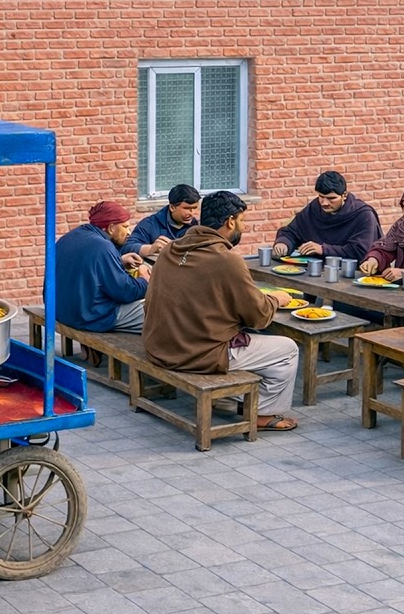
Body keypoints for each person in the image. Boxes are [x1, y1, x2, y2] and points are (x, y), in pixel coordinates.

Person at [144, 191, 300, 432]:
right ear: (230, 221)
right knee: (287, 349)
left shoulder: (170, 249)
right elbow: (258, 317)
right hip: (194, 354)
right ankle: (263, 413)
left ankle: (229, 400)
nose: (243, 227)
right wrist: (275, 300)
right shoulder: (227, 259)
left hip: (158, 346)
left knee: (245, 340)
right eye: (242, 221)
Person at [54, 201, 150, 350]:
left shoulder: (71, 236)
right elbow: (126, 292)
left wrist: (118, 261)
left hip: (61, 311)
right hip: (90, 316)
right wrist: (144, 279)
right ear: (111, 228)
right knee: (157, 315)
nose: (129, 232)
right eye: (125, 227)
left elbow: (87, 268)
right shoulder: (103, 246)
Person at [271, 170, 383, 261]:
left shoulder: (364, 215)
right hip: (314, 271)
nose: (324, 203)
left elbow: (360, 252)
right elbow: (292, 231)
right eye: (321, 197)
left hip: (354, 274)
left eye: (331, 198)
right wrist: (283, 243)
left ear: (344, 195)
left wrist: (323, 249)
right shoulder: (314, 208)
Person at [121, 183, 200, 258]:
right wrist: (150, 249)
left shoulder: (198, 226)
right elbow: (127, 248)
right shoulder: (150, 224)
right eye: (187, 208)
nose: (192, 213)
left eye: (195, 208)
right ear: (172, 207)